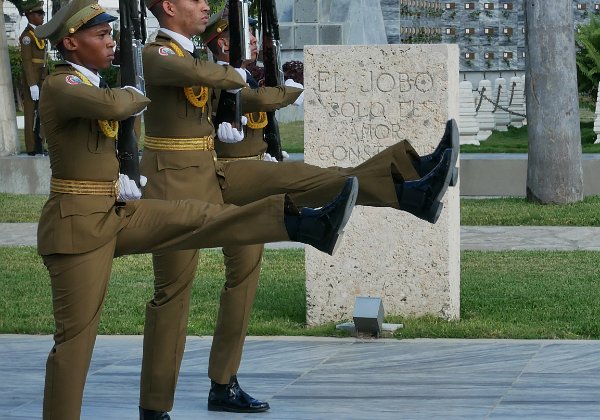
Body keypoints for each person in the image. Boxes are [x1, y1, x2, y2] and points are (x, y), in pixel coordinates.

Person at [33, 1, 361, 418]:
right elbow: (116, 107)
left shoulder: (95, 82)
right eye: (101, 36)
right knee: (76, 341)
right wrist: (138, 90)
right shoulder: (64, 84)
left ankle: (300, 223)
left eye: (111, 34)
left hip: (118, 210)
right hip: (78, 224)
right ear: (70, 42)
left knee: (199, 218)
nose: (111, 42)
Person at [139, 0, 458, 418]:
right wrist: (246, 78)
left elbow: (234, 94)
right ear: (167, 6)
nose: (203, 5)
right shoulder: (159, 53)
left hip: (216, 175)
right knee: (174, 294)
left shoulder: (194, 56)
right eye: (195, 0)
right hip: (175, 189)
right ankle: (155, 408)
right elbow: (216, 83)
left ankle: (409, 184)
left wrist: (270, 88)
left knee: (303, 179)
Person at [19, 0, 48, 155]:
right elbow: (26, 61)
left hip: (42, 78)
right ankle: (31, 147)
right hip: (32, 79)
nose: (42, 16)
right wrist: (31, 84)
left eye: (42, 13)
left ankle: (40, 144)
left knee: (42, 113)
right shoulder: (27, 37)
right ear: (29, 15)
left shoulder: (40, 34)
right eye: (39, 13)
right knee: (30, 114)